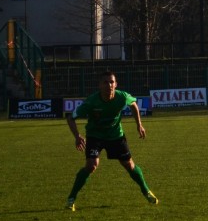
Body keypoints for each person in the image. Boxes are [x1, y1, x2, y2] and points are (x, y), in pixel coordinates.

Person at [65, 71, 158, 211]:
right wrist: (77, 136)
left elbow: (133, 105)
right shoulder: (91, 101)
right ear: (100, 85)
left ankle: (146, 191)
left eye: (112, 82)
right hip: (95, 135)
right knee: (91, 165)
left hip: (115, 135)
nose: (109, 85)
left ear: (116, 84)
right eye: (106, 82)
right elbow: (70, 118)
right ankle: (71, 199)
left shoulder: (121, 96)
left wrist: (139, 125)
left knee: (129, 165)